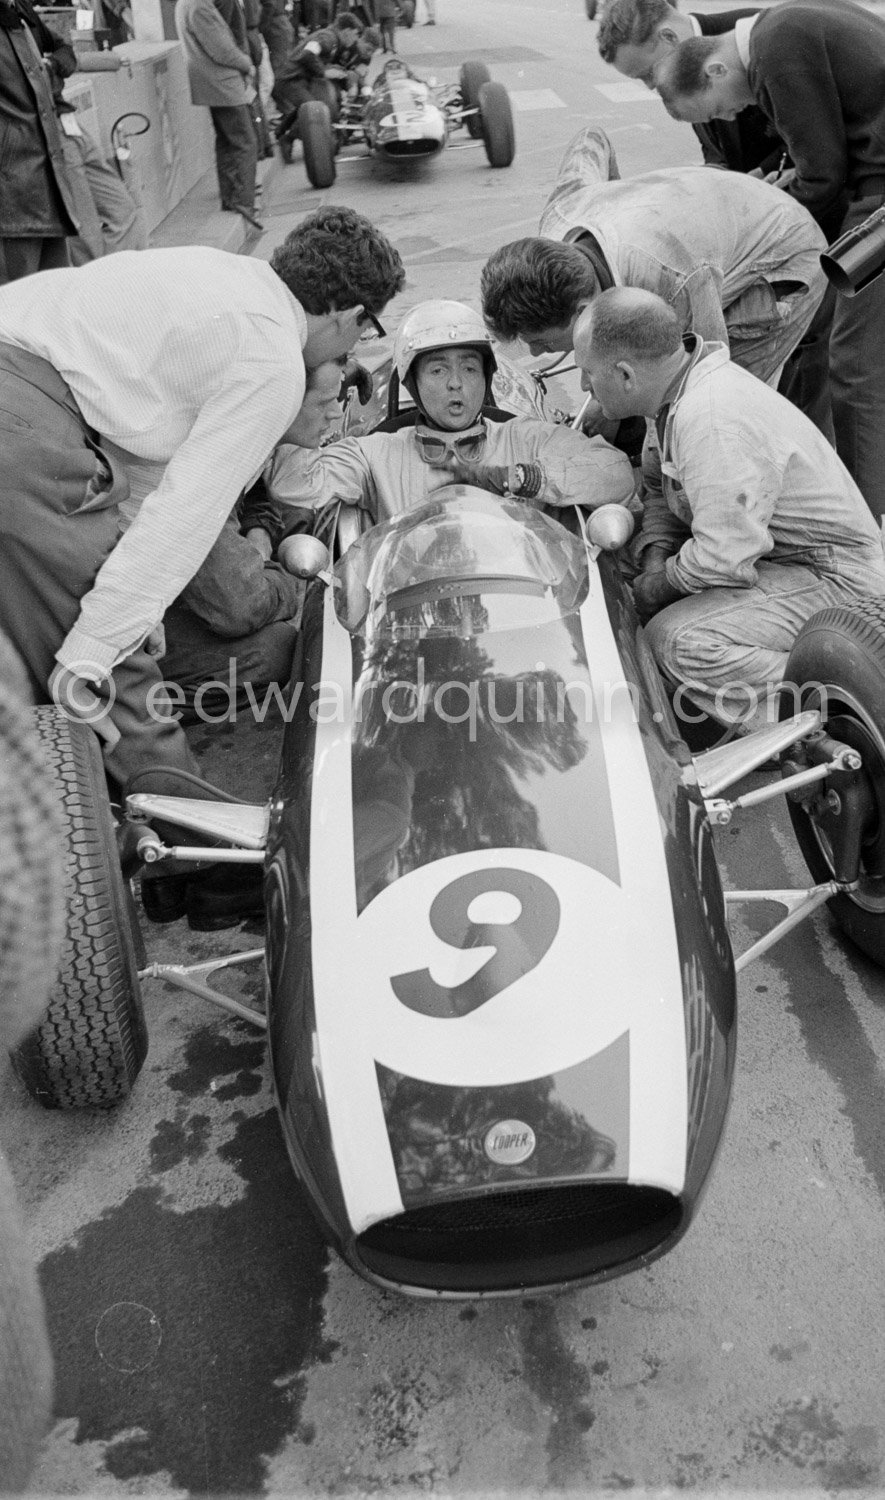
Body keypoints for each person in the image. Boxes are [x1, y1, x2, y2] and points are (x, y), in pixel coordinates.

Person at [0, 206, 405, 809]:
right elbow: (182, 516)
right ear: (348, 316)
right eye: (366, 331)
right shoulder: (272, 357)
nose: (355, 344)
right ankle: (200, 853)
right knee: (107, 667)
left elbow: (138, 480)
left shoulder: (218, 275)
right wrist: (100, 652)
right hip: (23, 417)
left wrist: (147, 615)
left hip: (24, 387)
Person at [573, 288, 885, 729]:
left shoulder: (713, 420)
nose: (584, 387)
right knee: (611, 572)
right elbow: (659, 487)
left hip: (835, 577)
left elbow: (725, 559)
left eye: (587, 373)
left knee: (677, 640)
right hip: (782, 559)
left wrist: (655, 587)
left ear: (625, 375)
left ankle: (845, 699)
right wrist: (656, 553)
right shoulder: (673, 389)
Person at [653, 4, 885, 523]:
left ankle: (867, 521)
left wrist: (759, 219)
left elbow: (822, 176)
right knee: (828, 334)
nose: (731, 119)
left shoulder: (774, 50)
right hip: (873, 177)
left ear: (714, 70)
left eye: (716, 111)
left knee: (853, 363)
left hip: (880, 191)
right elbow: (819, 155)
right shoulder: (778, 28)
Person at [480, 125, 828, 437]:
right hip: (709, 221)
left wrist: (621, 415)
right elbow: (592, 138)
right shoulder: (558, 221)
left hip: (785, 250)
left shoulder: (668, 282)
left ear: (584, 310)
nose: (537, 353)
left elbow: (706, 380)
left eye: (539, 341)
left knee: (716, 420)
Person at [265, 299, 636, 522]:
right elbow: (293, 483)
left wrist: (525, 478)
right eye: (439, 369)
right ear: (412, 383)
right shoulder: (374, 454)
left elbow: (617, 474)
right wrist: (314, 379)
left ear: (487, 377)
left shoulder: (528, 438)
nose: (456, 383)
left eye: (470, 369)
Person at [161, 360, 346, 714]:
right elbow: (242, 606)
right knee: (276, 649)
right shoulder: (215, 454)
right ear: (284, 400)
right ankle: (132, 706)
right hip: (125, 628)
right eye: (325, 403)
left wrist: (257, 530)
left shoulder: (250, 435)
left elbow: (253, 490)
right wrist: (284, 582)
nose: (337, 414)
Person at [596, 0, 782, 176]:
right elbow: (714, 147)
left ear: (668, 36)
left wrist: (767, 169)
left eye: (649, 73)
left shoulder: (755, 38)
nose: (651, 85)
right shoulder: (684, 68)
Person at [0, 0, 79, 285]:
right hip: (12, 201)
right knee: (16, 310)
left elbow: (65, 51)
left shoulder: (18, 13)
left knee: (54, 298)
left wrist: (51, 66)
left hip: (46, 187)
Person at [175, 0, 261, 227]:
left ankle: (231, 199)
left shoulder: (187, 4)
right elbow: (222, 50)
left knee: (226, 141)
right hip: (223, 83)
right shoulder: (199, 6)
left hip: (211, 85)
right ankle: (244, 201)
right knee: (245, 142)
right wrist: (247, 65)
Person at [272, 11, 372, 160]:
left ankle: (282, 131)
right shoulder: (328, 38)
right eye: (356, 34)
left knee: (309, 106)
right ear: (347, 31)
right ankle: (288, 139)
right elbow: (308, 54)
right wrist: (324, 72)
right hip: (290, 79)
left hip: (298, 80)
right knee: (315, 110)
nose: (356, 39)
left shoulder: (334, 40)